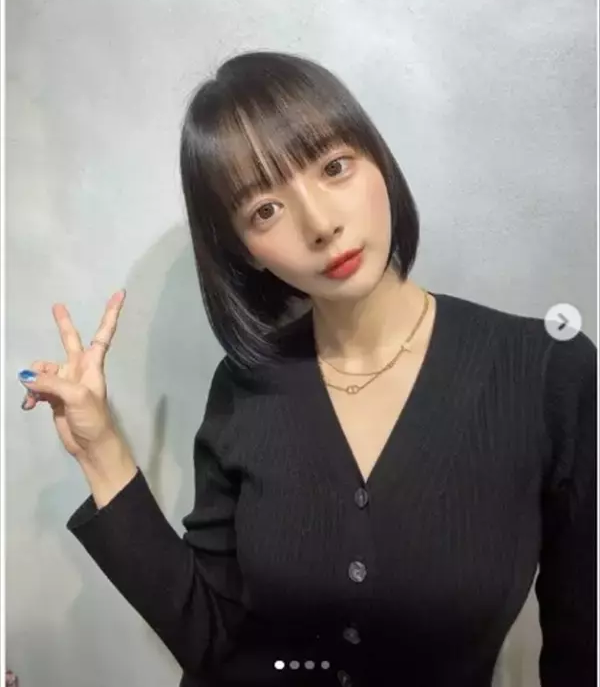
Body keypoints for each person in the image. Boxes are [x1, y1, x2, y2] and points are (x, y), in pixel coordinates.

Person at [18, 52, 596, 687]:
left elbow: (583, 646)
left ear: (379, 161)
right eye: (264, 210)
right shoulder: (244, 387)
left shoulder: (548, 374)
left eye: (334, 167)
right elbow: (212, 639)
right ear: (246, 252)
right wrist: (100, 449)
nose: (320, 225)